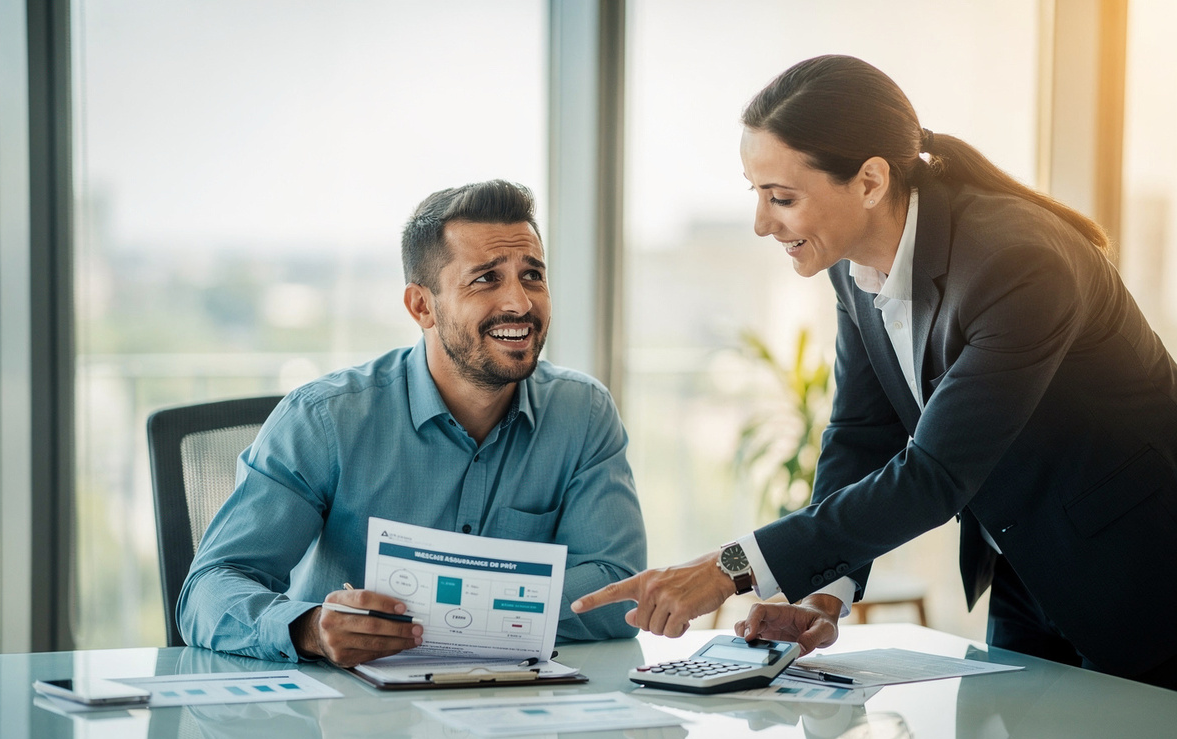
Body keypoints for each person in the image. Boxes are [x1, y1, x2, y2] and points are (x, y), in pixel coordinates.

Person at [573, 55, 1177, 689]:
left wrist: (729, 568)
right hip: (1025, 567)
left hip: (1142, 572)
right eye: (757, 194)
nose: (761, 223)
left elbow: (934, 474)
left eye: (782, 198)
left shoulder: (1018, 260)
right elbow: (861, 433)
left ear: (869, 181)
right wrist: (820, 594)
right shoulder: (853, 266)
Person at [179, 179, 646, 666]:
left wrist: (445, 609)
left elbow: (619, 592)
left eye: (532, 276)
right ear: (422, 306)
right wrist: (310, 630)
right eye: (487, 279)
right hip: (346, 718)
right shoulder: (324, 419)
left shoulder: (584, 413)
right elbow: (209, 590)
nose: (520, 303)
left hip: (513, 714)